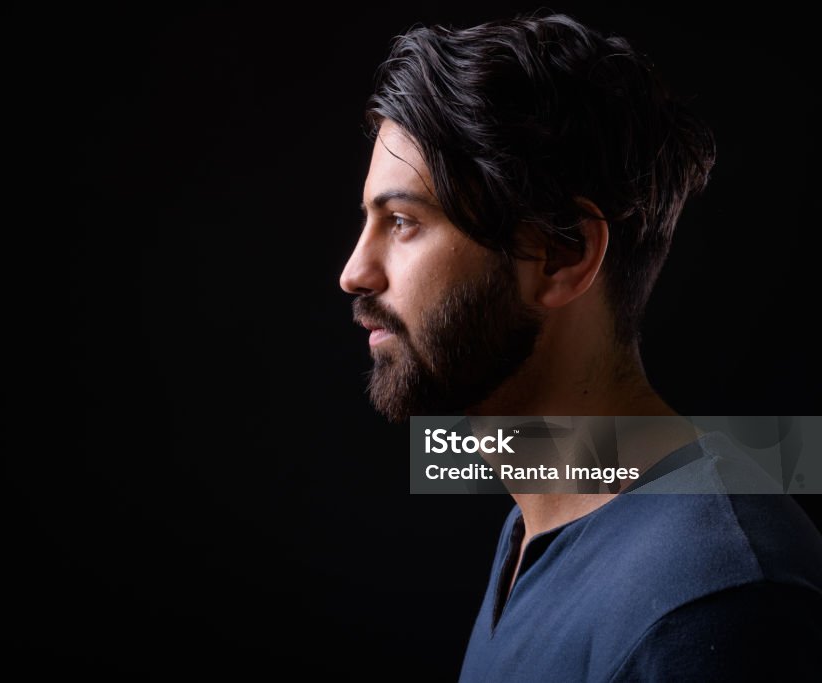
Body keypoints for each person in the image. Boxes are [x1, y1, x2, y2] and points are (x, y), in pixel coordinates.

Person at [338, 10, 822, 680]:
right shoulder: (536, 525)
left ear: (564, 255)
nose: (354, 272)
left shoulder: (714, 602)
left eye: (403, 221)